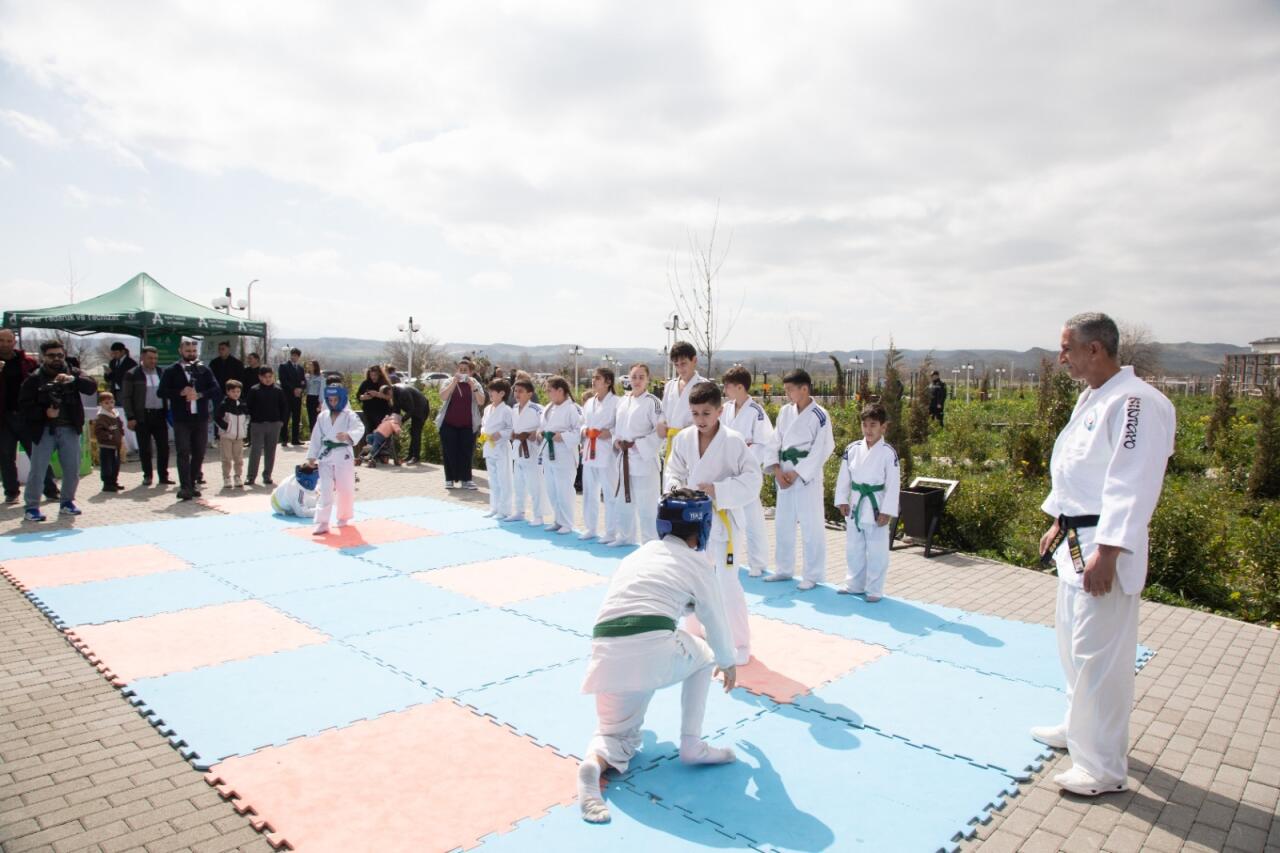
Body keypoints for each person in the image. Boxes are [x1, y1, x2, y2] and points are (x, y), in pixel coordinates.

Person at [1031, 312, 1175, 797]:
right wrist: (1058, 519)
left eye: (1067, 348)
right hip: (1076, 543)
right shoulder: (1094, 397)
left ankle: (1103, 767)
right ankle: (1078, 732)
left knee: (1101, 661)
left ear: (1096, 349)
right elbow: (1080, 474)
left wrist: (1109, 551)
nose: (1061, 358)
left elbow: (1131, 481)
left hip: (1103, 548)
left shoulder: (1136, 402)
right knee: (1073, 651)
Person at [576, 488, 738, 824]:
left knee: (615, 734)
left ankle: (593, 766)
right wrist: (728, 661)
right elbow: (714, 616)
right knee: (705, 653)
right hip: (650, 649)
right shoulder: (697, 562)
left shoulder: (639, 554)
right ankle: (692, 745)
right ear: (703, 526)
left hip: (605, 651)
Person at [664, 382, 761, 665]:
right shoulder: (683, 439)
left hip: (723, 521)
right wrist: (675, 489)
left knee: (728, 583)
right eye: (695, 414)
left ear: (719, 411)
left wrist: (718, 489)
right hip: (692, 520)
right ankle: (693, 632)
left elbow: (753, 479)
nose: (700, 420)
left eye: (706, 413)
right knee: (693, 578)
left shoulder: (733, 441)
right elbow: (673, 470)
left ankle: (739, 643)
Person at [763, 369, 835, 590]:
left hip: (806, 478)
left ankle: (813, 574)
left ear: (804, 389)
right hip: (784, 473)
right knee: (783, 523)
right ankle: (784, 569)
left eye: (789, 390)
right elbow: (774, 441)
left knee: (811, 525)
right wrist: (776, 470)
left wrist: (798, 472)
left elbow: (823, 448)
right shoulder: (785, 412)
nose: (787, 395)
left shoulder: (820, 415)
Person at [19, 340, 97, 520]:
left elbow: (91, 387)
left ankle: (67, 502)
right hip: (44, 429)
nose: (56, 359)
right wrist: (44, 412)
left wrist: (74, 380)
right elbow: (24, 407)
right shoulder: (34, 379)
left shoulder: (73, 372)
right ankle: (32, 507)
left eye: (60, 355)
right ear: (43, 357)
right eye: (51, 356)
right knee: (38, 470)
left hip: (69, 428)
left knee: (72, 469)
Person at [835, 403, 900, 602]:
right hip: (856, 503)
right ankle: (854, 584)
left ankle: (874, 589)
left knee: (877, 550)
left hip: (876, 504)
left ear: (883, 427)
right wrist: (842, 500)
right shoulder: (852, 449)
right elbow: (844, 477)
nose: (868, 430)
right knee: (854, 547)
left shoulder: (889, 453)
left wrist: (887, 511)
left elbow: (893, 484)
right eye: (865, 425)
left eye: (873, 425)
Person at [719, 366, 774, 577]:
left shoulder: (756, 412)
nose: (725, 389)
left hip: (747, 471)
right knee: (729, 517)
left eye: (728, 386)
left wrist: (748, 465)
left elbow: (765, 443)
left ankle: (758, 563)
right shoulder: (726, 409)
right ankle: (727, 558)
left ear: (740, 387)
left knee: (753, 518)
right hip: (728, 470)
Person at [157, 338, 219, 501]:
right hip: (181, 419)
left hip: (200, 418)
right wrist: (180, 392)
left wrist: (199, 394)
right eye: (188, 351)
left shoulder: (204, 369)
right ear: (180, 351)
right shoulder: (171, 370)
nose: (191, 354)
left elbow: (216, 389)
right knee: (183, 452)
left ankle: (192, 483)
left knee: (199, 452)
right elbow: (161, 392)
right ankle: (185, 486)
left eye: (193, 351)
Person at [0, 329, 58, 503]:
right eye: (1, 340)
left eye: (8, 340)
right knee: (5, 456)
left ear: (14, 342)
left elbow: (40, 385)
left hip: (28, 416)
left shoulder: (28, 362)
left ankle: (51, 490)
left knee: (38, 454)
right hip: (4, 418)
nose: (5, 344)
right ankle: (11, 492)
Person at [612, 363, 663, 548]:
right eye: (634, 377)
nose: (637, 381)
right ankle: (625, 536)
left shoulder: (653, 402)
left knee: (647, 506)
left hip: (644, 460)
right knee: (624, 501)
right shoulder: (623, 400)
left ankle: (650, 544)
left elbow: (660, 432)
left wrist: (638, 445)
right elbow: (617, 427)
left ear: (648, 379)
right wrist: (616, 440)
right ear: (628, 378)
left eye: (641, 377)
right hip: (624, 458)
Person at [306, 384, 364, 535]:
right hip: (325, 455)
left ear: (342, 399)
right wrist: (311, 457)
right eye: (330, 400)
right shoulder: (322, 416)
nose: (332, 403)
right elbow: (316, 437)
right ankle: (323, 522)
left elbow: (360, 428)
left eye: (335, 399)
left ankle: (343, 517)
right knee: (325, 489)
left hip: (343, 454)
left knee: (345, 488)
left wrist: (348, 435)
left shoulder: (350, 415)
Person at [121, 346, 172, 486]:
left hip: (160, 414)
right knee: (145, 448)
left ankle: (163, 476)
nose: (153, 361)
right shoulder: (132, 374)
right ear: (142, 358)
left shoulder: (161, 372)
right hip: (142, 415)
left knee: (163, 447)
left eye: (155, 358)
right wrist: (130, 416)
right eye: (150, 358)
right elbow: (126, 397)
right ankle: (147, 475)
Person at [580, 367, 620, 543]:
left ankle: (611, 532)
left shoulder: (617, 402)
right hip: (589, 451)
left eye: (598, 378)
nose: (593, 380)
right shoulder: (589, 402)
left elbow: (621, 425)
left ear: (608, 382)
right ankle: (591, 527)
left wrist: (610, 432)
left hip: (606, 453)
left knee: (610, 493)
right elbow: (581, 424)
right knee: (589, 492)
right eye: (593, 377)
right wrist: (585, 431)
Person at [540, 376, 583, 534]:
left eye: (549, 390)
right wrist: (541, 433)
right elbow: (543, 426)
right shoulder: (549, 408)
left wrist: (562, 436)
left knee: (564, 489)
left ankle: (568, 522)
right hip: (549, 452)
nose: (547, 393)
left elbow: (579, 431)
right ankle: (558, 520)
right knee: (552, 489)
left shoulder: (573, 408)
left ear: (560, 390)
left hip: (565, 454)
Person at [434, 358, 485, 489]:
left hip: (468, 425)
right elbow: (443, 397)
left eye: (465, 370)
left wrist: (472, 386)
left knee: (466, 452)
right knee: (449, 451)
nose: (462, 372)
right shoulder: (449, 381)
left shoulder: (475, 384)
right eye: (460, 369)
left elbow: (481, 401)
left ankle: (466, 479)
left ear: (471, 372)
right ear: (456, 370)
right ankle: (449, 479)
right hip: (448, 424)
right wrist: (453, 383)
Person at [506, 377, 546, 525]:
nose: (517, 394)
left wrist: (536, 432)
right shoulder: (514, 409)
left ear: (530, 393)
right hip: (518, 449)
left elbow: (546, 424)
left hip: (532, 450)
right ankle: (519, 512)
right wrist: (512, 434)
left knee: (534, 484)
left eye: (521, 391)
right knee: (518, 483)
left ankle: (538, 515)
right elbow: (512, 427)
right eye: (515, 391)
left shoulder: (537, 408)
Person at [657, 341, 706, 463]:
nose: (680, 368)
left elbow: (710, 417)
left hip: (694, 443)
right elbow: (664, 412)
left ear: (694, 360)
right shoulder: (670, 385)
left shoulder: (705, 386)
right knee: (671, 479)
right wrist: (661, 423)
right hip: (671, 440)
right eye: (676, 365)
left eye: (683, 363)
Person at [246, 366, 288, 486]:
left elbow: (284, 407)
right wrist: (252, 419)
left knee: (271, 451)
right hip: (257, 425)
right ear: (260, 377)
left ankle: (267, 475)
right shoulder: (254, 390)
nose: (268, 379)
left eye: (270, 377)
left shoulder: (278, 390)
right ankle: (251, 477)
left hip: (274, 424)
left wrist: (281, 422)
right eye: (265, 377)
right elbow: (248, 406)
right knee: (256, 451)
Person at [479, 378, 514, 518]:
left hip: (501, 447)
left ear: (502, 393)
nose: (490, 394)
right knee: (492, 479)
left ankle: (504, 510)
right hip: (489, 446)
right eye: (489, 391)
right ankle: (494, 507)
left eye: (492, 391)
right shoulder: (488, 408)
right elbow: (483, 425)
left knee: (503, 479)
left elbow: (511, 429)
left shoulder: (506, 410)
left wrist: (500, 434)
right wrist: (483, 433)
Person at [214, 379, 250, 489]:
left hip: (239, 437)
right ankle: (226, 477)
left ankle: (238, 476)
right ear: (228, 392)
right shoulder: (224, 405)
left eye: (238, 391)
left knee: (239, 458)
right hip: (227, 436)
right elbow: (217, 418)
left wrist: (245, 426)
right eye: (233, 391)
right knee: (226, 458)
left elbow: (247, 416)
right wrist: (226, 427)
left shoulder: (242, 404)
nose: (236, 394)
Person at [357, 364, 394, 461]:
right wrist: (364, 397)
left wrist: (377, 394)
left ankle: (382, 454)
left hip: (382, 412)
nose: (373, 377)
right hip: (369, 412)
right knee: (370, 433)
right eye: (371, 375)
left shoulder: (384, 383)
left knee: (381, 433)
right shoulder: (365, 383)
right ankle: (371, 453)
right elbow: (358, 396)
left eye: (375, 375)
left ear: (379, 375)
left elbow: (389, 397)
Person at [389, 381, 431, 464]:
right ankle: (410, 455)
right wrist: (393, 421)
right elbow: (396, 410)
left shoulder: (402, 392)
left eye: (387, 396)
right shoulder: (394, 392)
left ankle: (415, 457)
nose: (388, 398)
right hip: (415, 409)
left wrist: (402, 421)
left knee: (416, 432)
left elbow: (411, 410)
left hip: (421, 409)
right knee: (412, 432)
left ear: (390, 391)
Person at [91, 391, 125, 493]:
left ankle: (114, 481)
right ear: (101, 404)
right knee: (107, 465)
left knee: (115, 464)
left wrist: (121, 433)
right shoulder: (101, 417)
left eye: (111, 402)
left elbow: (119, 425)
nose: (110, 405)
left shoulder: (115, 414)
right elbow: (98, 431)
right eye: (106, 403)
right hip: (107, 445)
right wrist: (109, 436)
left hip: (116, 445)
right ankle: (107, 483)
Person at [278, 348, 306, 446]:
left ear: (299, 357)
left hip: (297, 397)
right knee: (285, 418)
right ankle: (284, 439)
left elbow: (303, 381)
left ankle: (295, 439)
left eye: (296, 355)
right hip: (287, 396)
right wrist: (293, 389)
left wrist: (301, 389)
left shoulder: (300, 368)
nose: (294, 357)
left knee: (296, 418)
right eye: (292, 355)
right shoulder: (284, 366)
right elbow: (283, 380)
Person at [209, 341, 244, 416]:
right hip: (217, 394)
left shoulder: (237, 363)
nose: (220, 351)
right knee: (218, 414)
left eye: (223, 349)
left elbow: (240, 380)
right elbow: (210, 378)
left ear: (228, 350)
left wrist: (235, 392)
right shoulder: (214, 363)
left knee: (231, 415)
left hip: (231, 394)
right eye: (219, 349)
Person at [304, 360, 324, 435]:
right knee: (310, 418)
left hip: (316, 398)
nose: (309, 367)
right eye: (308, 365)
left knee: (316, 417)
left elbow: (322, 389)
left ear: (315, 367)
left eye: (311, 365)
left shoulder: (320, 377)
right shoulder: (307, 376)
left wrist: (320, 402)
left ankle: (318, 435)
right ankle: (312, 435)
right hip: (309, 398)